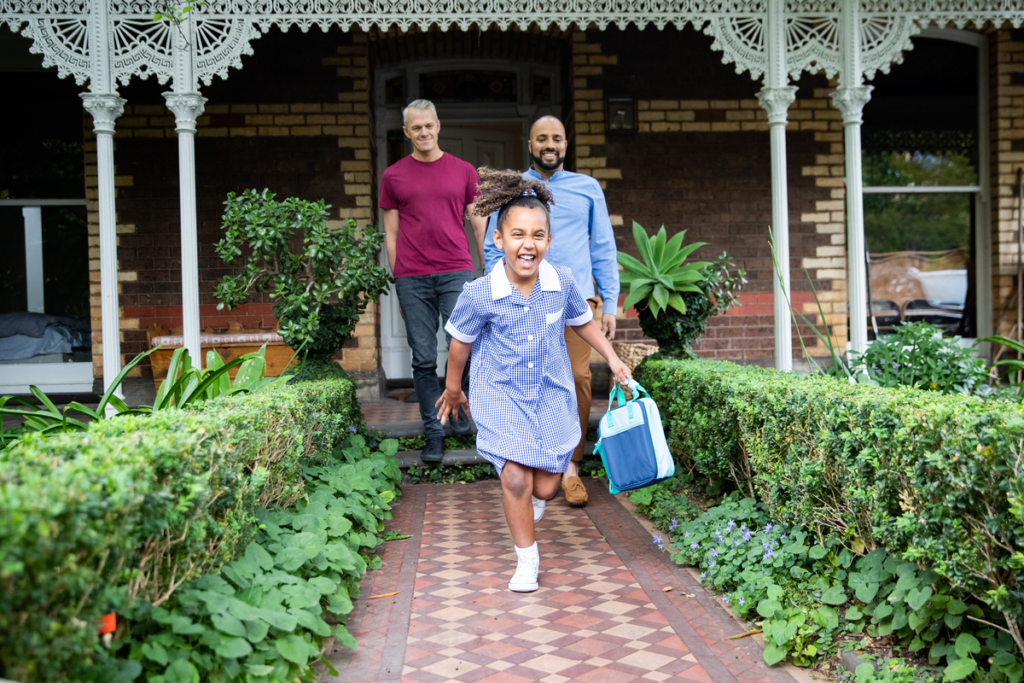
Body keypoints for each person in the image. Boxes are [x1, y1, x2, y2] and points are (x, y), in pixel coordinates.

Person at [436, 169, 631, 593]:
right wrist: (454, 388)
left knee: (546, 483)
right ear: (499, 240)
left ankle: (540, 498)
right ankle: (527, 560)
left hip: (549, 394)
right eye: (518, 234)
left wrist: (613, 359)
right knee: (516, 478)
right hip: (500, 392)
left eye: (538, 235)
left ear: (548, 240)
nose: (529, 244)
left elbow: (585, 325)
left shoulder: (561, 282)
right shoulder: (480, 292)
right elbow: (459, 345)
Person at [483, 115, 619, 507]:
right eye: (542, 138)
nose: (550, 144)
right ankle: (532, 461)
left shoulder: (588, 188)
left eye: (556, 138)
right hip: (523, 300)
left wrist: (608, 302)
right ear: (530, 144)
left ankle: (570, 464)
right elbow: (496, 248)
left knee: (576, 376)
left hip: (576, 301)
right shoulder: (515, 189)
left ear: (565, 144)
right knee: (529, 379)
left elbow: (604, 247)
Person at [379, 99, 489, 462]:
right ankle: (434, 431)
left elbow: (478, 223)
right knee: (423, 357)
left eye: (429, 125)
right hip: (412, 276)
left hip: (456, 270)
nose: (424, 132)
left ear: (438, 126)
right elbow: (391, 234)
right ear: (407, 132)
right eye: (416, 128)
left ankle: (456, 412)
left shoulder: (463, 171)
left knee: (463, 345)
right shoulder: (393, 176)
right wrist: (400, 279)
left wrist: (487, 269)